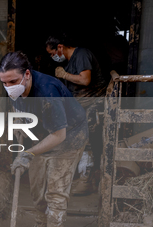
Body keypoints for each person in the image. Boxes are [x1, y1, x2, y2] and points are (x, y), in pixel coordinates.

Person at [0, 51, 88, 227]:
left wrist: (28, 154)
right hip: (40, 134)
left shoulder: (48, 92)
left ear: (27, 75)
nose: (9, 87)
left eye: (13, 81)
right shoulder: (15, 88)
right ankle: (41, 224)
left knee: (56, 189)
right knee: (36, 185)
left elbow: (59, 136)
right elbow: (18, 108)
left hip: (69, 136)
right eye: (4, 83)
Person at [46, 35, 108, 195]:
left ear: (60, 47)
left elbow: (85, 80)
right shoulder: (71, 60)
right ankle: (74, 176)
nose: (53, 57)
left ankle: (85, 180)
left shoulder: (81, 55)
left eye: (52, 53)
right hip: (81, 104)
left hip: (93, 102)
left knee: (84, 139)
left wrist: (64, 75)